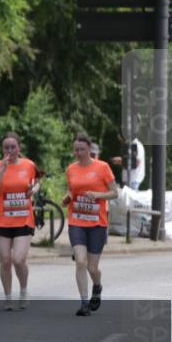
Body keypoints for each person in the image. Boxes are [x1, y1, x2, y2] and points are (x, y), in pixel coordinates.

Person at [61, 132, 118, 316]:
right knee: (80, 261)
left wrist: (98, 195)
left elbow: (114, 193)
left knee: (92, 267)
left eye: (82, 150)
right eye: (76, 150)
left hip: (96, 222)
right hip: (77, 220)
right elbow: (71, 189)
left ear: (89, 149)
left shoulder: (103, 167)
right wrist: (68, 197)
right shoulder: (71, 169)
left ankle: (97, 285)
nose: (78, 153)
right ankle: (84, 302)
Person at [0, 132, 40, 310]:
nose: (9, 150)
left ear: (19, 148)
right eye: (6, 147)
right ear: (2, 149)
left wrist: (34, 189)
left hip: (24, 219)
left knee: (18, 259)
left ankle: (24, 291)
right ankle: (8, 296)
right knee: (5, 260)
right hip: (2, 219)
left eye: (13, 147)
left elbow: (36, 181)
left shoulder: (29, 165)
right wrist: (2, 170)